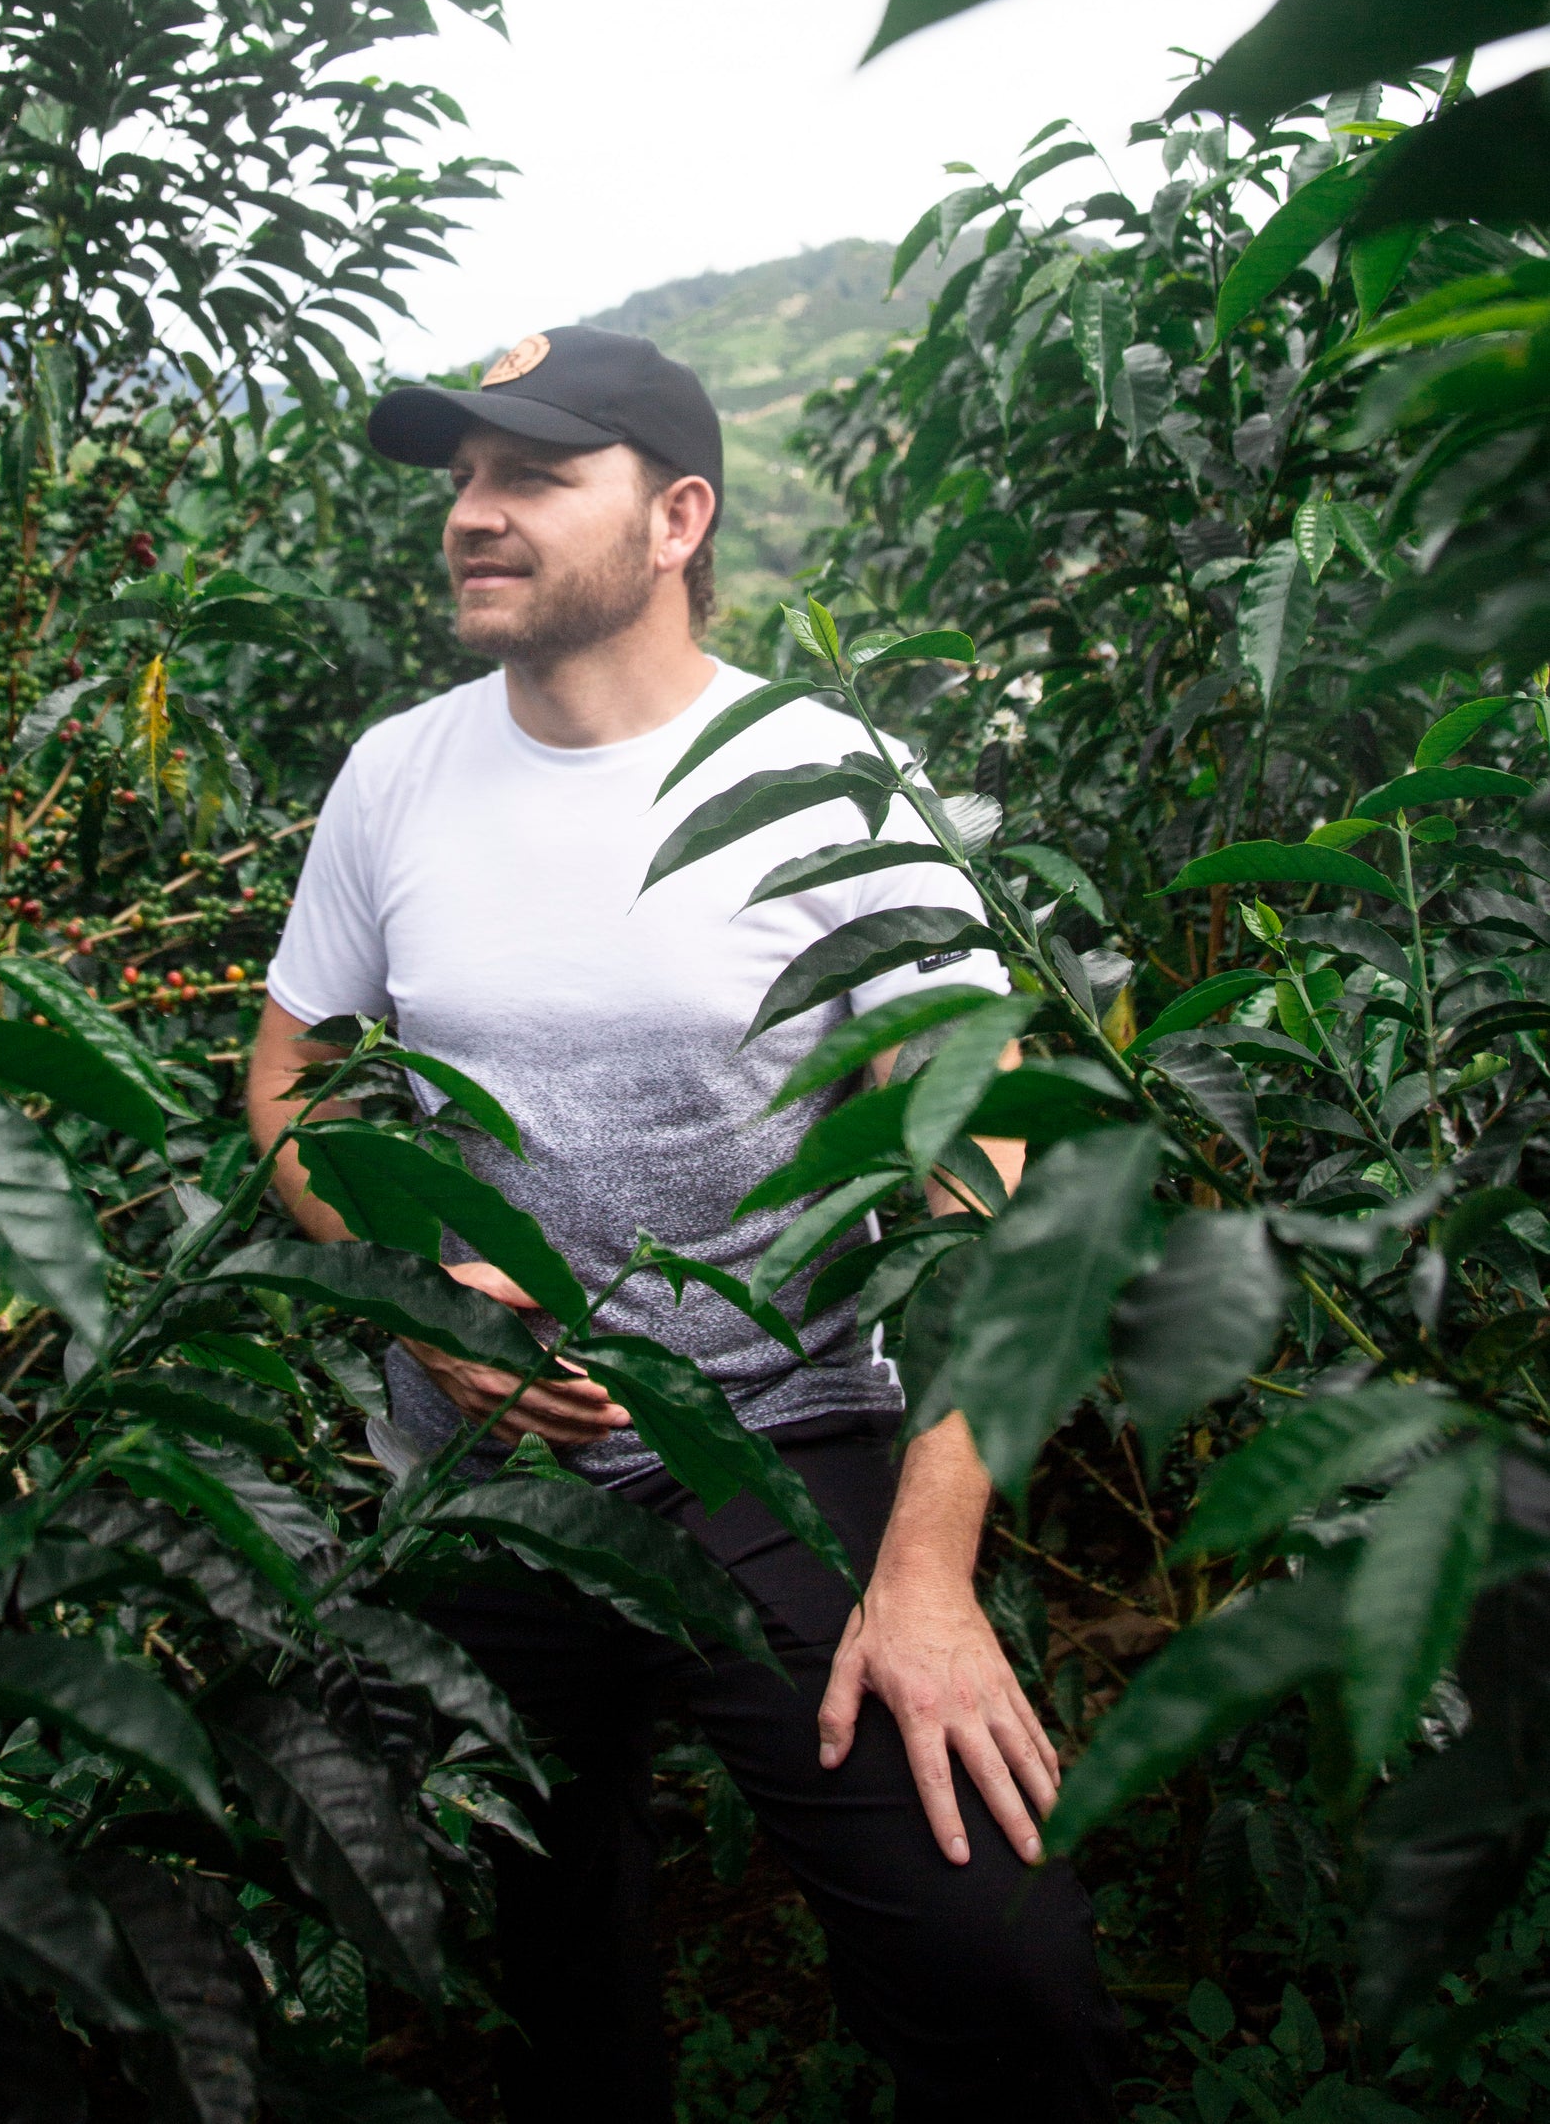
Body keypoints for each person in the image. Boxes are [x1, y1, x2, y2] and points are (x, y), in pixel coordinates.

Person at [246, 325, 1122, 2123]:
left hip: (780, 1435)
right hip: (479, 1469)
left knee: (995, 1970)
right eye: (461, 480)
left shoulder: (831, 780)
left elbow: (981, 1180)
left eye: (528, 477)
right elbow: (286, 1084)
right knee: (554, 1966)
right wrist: (424, 1301)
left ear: (675, 517)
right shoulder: (397, 774)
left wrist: (934, 1568)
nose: (469, 516)